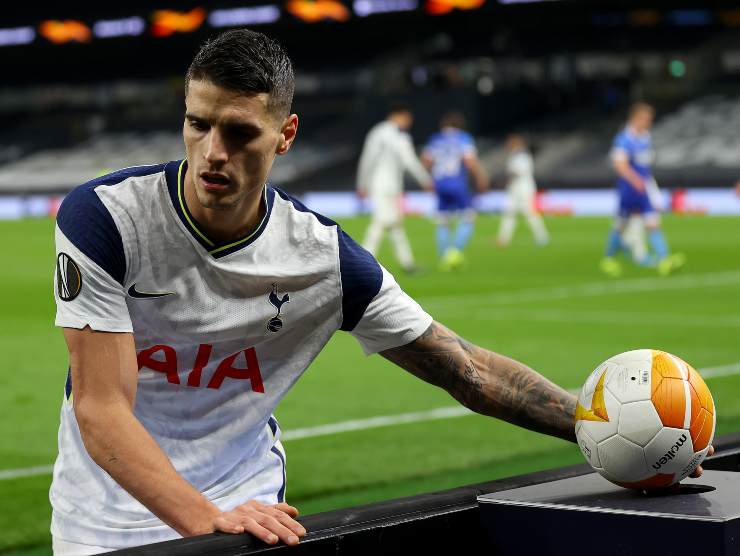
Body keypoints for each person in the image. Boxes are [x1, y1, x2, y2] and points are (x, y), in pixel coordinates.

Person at [50, 31, 706, 555]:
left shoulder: (325, 261)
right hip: (100, 517)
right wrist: (204, 519)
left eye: (240, 133)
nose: (211, 152)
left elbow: (468, 371)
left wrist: (612, 434)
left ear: (286, 135)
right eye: (198, 125)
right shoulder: (107, 219)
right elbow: (102, 410)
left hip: (247, 504)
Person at [600, 102, 685, 277]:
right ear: (636, 118)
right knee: (620, 225)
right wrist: (635, 180)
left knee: (653, 223)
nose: (648, 122)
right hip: (629, 189)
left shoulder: (644, 137)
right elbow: (619, 165)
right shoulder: (624, 139)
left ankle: (664, 259)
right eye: (646, 119)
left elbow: (644, 165)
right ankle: (608, 258)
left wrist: (648, 184)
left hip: (643, 187)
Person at [356, 103, 432, 273]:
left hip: (381, 185)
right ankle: (362, 263)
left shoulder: (378, 133)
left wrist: (362, 183)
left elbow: (367, 159)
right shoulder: (400, 136)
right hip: (387, 186)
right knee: (382, 222)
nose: (408, 123)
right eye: (408, 119)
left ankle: (407, 263)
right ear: (400, 115)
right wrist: (426, 180)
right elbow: (410, 161)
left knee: (394, 223)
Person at [421, 111, 488, 271]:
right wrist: (481, 177)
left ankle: (444, 257)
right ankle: (455, 252)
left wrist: (426, 179)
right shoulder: (463, 138)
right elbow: (469, 161)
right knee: (468, 217)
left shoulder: (436, 139)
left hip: (440, 183)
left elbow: (426, 161)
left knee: (443, 221)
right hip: (457, 183)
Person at [496, 134, 549, 248]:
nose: (507, 144)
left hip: (524, 188)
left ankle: (542, 236)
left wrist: (508, 172)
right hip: (514, 188)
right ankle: (503, 239)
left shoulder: (522, 155)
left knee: (529, 213)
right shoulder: (515, 155)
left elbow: (519, 171)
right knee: (509, 212)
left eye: (509, 142)